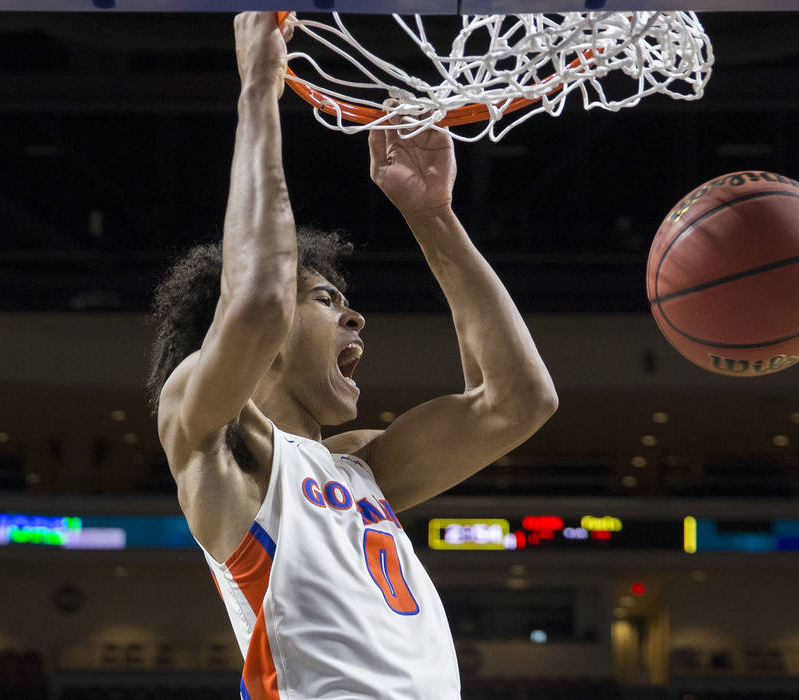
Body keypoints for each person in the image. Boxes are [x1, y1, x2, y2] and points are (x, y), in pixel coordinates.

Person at [147, 11, 558, 699]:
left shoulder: (361, 468)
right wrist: (258, 87)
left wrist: (433, 215)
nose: (354, 314)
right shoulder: (211, 436)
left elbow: (516, 402)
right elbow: (255, 304)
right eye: (325, 297)